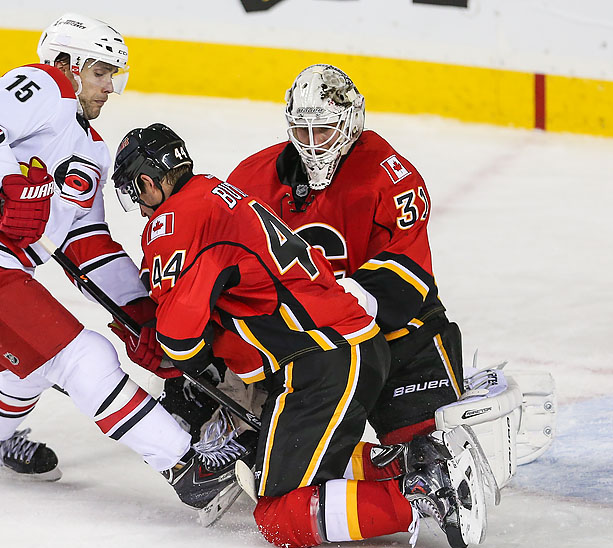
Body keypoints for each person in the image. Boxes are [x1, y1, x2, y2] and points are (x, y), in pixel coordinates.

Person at [0, 14, 248, 509]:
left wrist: (143, 315)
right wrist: (8, 180)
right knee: (82, 356)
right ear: (68, 63)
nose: (108, 88)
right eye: (100, 73)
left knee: (31, 362)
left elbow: (87, 244)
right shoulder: (46, 86)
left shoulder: (91, 151)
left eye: (112, 76)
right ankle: (186, 468)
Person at [110, 122, 490, 548]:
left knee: (278, 517)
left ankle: (419, 498)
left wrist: (177, 357)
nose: (140, 207)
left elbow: (180, 338)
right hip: (348, 344)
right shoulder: (218, 193)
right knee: (293, 458)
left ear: (147, 180)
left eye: (134, 192)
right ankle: (410, 467)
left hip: (324, 359)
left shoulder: (175, 220)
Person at [225, 64, 555, 487]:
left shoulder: (390, 175)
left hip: (396, 329)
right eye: (301, 132)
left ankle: (462, 402)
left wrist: (336, 304)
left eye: (323, 131)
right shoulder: (252, 178)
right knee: (282, 450)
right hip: (308, 341)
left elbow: (407, 274)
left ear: (350, 123)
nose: (311, 145)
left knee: (427, 458)